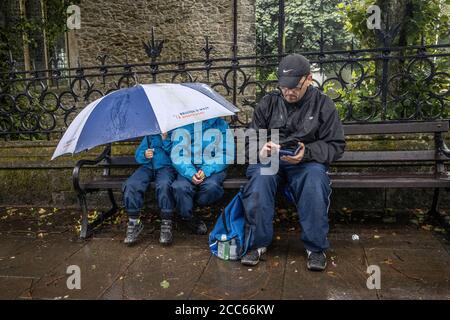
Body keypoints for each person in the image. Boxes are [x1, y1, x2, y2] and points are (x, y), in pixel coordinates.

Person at [241, 54, 346, 271]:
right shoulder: (269, 102)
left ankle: (315, 248)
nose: (289, 92)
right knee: (260, 180)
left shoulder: (323, 104)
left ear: (308, 79)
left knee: (315, 181)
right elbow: (250, 138)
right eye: (284, 87)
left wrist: (307, 152)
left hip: (306, 161)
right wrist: (260, 148)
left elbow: (335, 145)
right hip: (271, 158)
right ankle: (257, 244)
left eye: (294, 87)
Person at [169, 117, 234, 235]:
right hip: (188, 167)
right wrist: (190, 172)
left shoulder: (221, 125)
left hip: (214, 167)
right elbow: (178, 154)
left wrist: (206, 170)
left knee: (211, 187)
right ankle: (188, 217)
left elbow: (226, 153)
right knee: (180, 187)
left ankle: (198, 207)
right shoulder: (183, 125)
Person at [122, 133, 177, 245]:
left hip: (166, 167)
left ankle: (166, 222)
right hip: (148, 167)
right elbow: (138, 154)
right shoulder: (150, 135)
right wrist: (144, 154)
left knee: (164, 185)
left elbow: (177, 154)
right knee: (131, 184)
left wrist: (165, 139)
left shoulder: (176, 134)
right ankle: (134, 221)